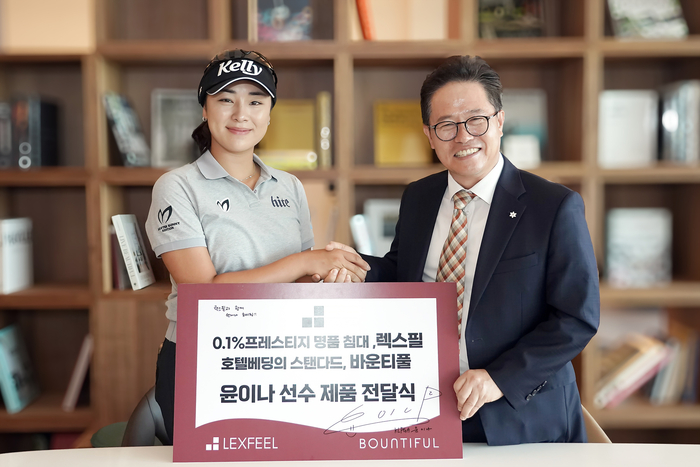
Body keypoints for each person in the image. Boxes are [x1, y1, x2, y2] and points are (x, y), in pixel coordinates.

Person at [327, 55, 599, 445]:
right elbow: (404, 272)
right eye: (446, 125)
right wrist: (351, 268)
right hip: (427, 405)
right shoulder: (419, 197)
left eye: (476, 120)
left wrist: (499, 379)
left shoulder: (553, 206)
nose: (463, 136)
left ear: (499, 121)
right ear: (429, 134)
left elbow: (576, 317)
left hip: (520, 416)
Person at [145, 49, 370, 443]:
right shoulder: (177, 186)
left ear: (269, 114)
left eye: (255, 101)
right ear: (204, 109)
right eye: (225, 100)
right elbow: (202, 294)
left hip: (284, 357)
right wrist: (306, 261)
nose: (241, 114)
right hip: (203, 358)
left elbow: (299, 284)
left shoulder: (290, 186)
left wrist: (331, 277)